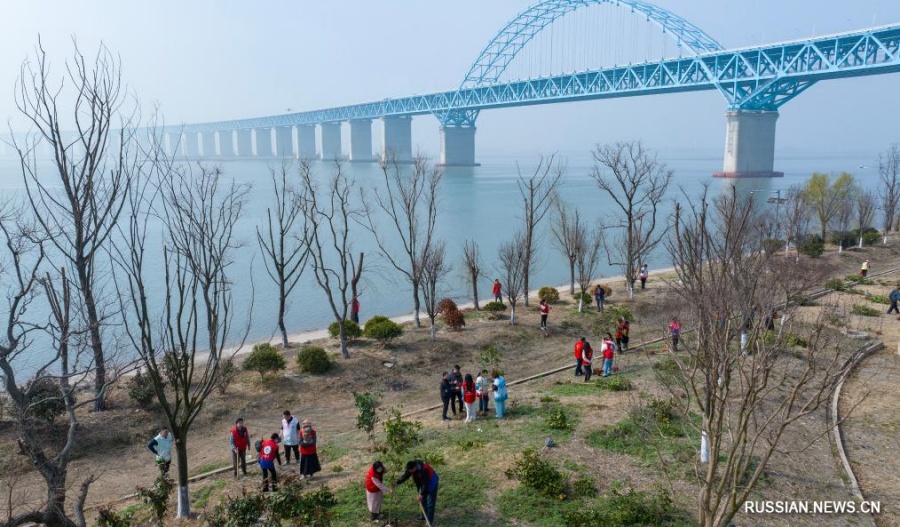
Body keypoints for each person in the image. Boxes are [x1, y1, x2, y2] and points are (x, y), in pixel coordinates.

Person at [395, 460, 439, 526]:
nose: (410, 472)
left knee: (430, 504)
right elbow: (406, 475)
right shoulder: (411, 468)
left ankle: (429, 521)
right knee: (423, 501)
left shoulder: (424, 470)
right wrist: (397, 482)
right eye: (409, 470)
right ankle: (424, 517)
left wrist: (421, 494)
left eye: (411, 470)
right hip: (423, 483)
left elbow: (425, 483)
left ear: (415, 467)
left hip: (431, 482)